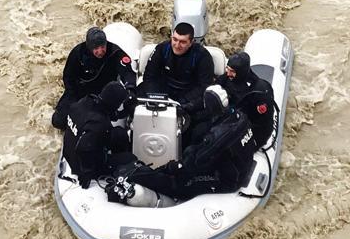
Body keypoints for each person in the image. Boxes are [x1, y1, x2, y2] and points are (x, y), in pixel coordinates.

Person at [108, 85, 256, 203]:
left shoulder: (218, 137)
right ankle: (140, 172)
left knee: (181, 183)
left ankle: (136, 175)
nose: (203, 105)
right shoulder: (238, 117)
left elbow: (194, 163)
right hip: (235, 166)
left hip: (227, 180)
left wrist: (173, 167)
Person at [51, 26, 136, 130]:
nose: (100, 52)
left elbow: (128, 73)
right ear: (89, 47)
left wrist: (131, 89)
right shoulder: (78, 53)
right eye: (96, 48)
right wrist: (75, 100)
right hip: (80, 91)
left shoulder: (115, 52)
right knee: (58, 121)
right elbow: (68, 77)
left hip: (103, 94)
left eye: (102, 47)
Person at [61, 81, 135, 189]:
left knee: (119, 134)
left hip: (69, 150)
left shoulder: (86, 102)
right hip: (81, 164)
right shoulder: (99, 124)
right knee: (130, 158)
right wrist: (87, 173)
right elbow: (83, 148)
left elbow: (108, 113)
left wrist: (124, 112)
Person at [137, 22, 214, 115]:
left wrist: (181, 103)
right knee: (139, 92)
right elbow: (149, 76)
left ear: (191, 42)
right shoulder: (162, 49)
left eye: (182, 42)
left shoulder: (202, 56)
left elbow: (204, 86)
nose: (177, 45)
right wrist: (157, 98)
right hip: (163, 89)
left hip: (188, 93)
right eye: (175, 39)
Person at [216, 51, 275, 148]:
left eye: (232, 71)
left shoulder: (259, 92)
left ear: (241, 72)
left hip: (246, 127)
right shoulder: (227, 78)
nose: (228, 73)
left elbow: (263, 124)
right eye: (228, 69)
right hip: (227, 119)